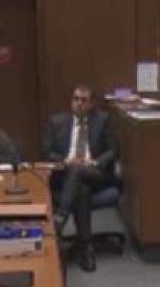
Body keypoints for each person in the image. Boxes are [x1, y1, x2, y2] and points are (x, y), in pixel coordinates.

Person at [43, 85, 117, 273]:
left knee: (79, 172)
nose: (79, 103)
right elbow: (47, 152)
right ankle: (86, 248)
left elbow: (112, 150)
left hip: (94, 174)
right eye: (75, 99)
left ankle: (60, 219)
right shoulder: (56, 122)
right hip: (66, 175)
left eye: (84, 100)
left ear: (91, 104)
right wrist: (65, 161)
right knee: (81, 191)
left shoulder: (102, 120)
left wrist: (95, 162)